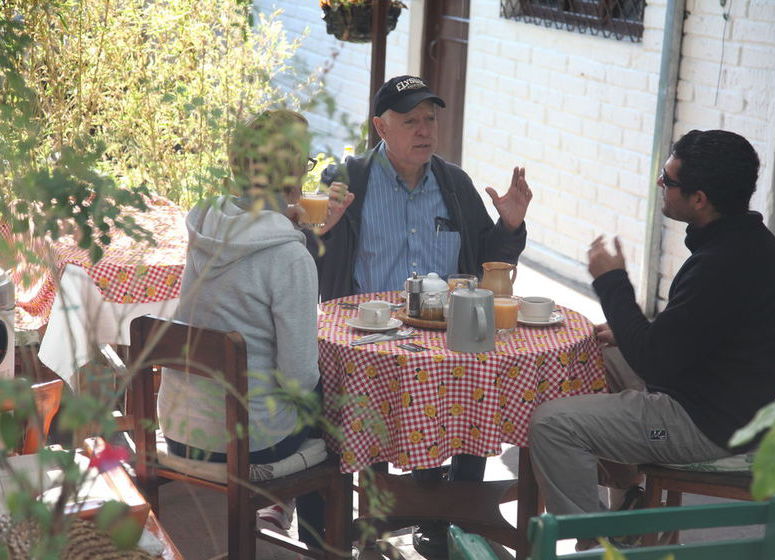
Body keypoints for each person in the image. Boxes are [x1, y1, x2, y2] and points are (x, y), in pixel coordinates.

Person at [528, 129, 775, 551]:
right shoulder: (748, 244)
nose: (660, 185)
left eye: (668, 181)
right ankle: (628, 505)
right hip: (725, 400)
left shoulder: (720, 263)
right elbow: (692, 335)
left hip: (705, 424)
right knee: (600, 357)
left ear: (700, 199)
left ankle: (598, 547)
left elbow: (656, 361)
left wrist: (612, 282)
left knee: (553, 424)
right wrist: (633, 331)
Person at [317, 75, 532, 557]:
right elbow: (313, 256)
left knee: (474, 372)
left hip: (446, 330)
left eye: (430, 119)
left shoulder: (454, 183)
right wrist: (313, 236)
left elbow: (488, 262)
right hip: (371, 332)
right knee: (378, 416)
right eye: (409, 120)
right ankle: (377, 513)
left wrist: (510, 224)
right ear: (380, 126)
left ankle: (455, 516)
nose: (424, 130)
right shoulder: (348, 180)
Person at [157, 109, 324, 545]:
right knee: (328, 399)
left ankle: (281, 519)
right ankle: (321, 541)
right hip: (247, 443)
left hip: (180, 429)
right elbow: (298, 377)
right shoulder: (289, 257)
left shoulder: (204, 225)